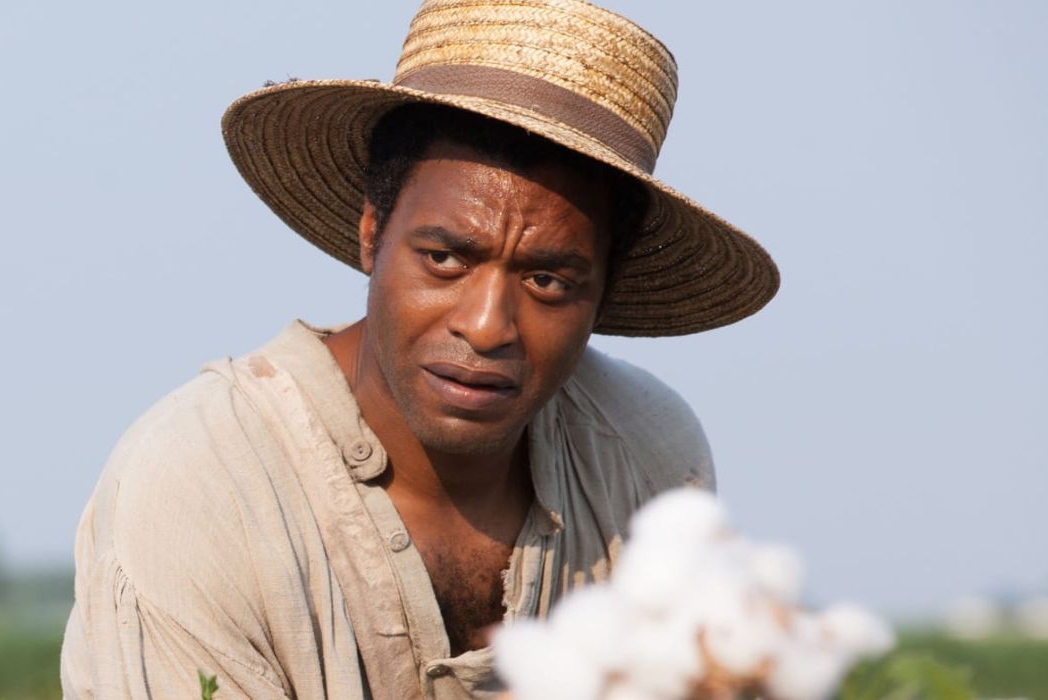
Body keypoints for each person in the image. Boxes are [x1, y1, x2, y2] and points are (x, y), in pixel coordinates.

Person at [61, 0, 779, 698]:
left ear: (603, 293)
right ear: (373, 234)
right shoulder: (202, 485)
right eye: (445, 259)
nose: (489, 325)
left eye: (548, 280)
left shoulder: (642, 458)